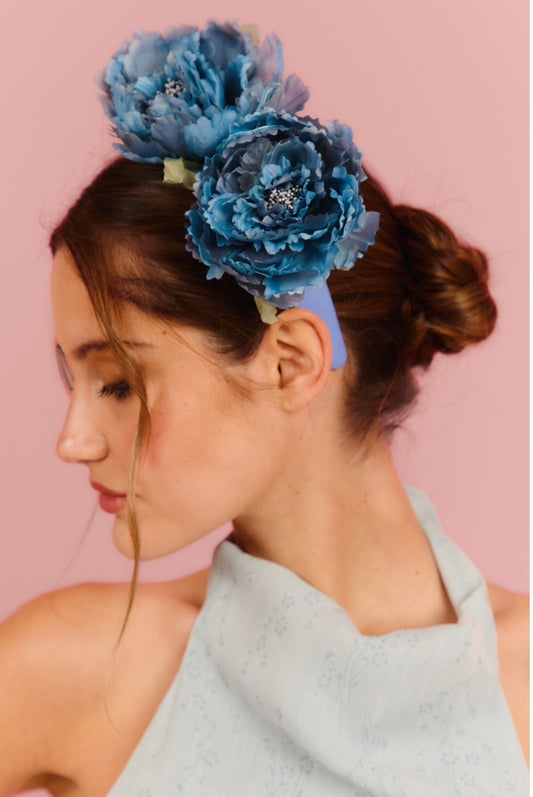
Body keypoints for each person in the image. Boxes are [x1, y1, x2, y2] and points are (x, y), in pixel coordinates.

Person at [0, 21, 528, 797]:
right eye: (72, 381)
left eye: (117, 383)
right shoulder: (75, 667)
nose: (72, 441)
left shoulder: (521, 682)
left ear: (291, 362)